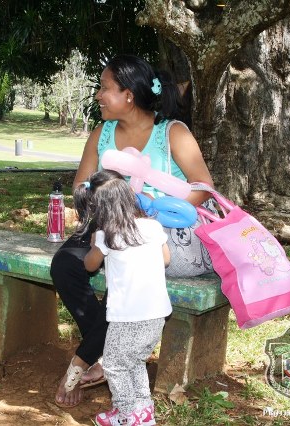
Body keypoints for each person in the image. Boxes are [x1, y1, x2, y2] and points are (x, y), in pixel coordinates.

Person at [51, 54, 215, 408]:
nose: (98, 95)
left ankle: (83, 361)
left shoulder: (172, 132)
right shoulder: (102, 134)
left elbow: (203, 188)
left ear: (128, 95)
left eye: (104, 88)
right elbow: (80, 185)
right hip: (108, 222)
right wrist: (101, 202)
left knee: (125, 266)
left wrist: (153, 203)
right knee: (64, 265)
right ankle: (104, 350)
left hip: (162, 228)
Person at [74, 170, 170, 426]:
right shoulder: (153, 226)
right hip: (157, 312)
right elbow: (166, 259)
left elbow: (89, 265)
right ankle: (143, 412)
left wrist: (94, 245)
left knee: (115, 365)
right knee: (135, 361)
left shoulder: (106, 235)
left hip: (127, 315)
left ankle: (128, 415)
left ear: (100, 208)